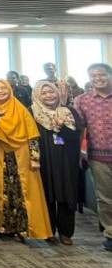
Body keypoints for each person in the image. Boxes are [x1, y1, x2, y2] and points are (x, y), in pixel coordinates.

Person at [0, 79, 52, 242]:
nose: (0, 91)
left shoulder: (20, 108)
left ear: (10, 90)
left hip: (21, 155)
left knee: (21, 192)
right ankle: (3, 227)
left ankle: (22, 229)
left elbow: (32, 135)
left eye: (3, 88)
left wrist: (35, 158)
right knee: (1, 191)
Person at [31, 81, 80, 245]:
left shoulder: (69, 111)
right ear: (38, 95)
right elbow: (29, 137)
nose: (48, 96)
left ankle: (66, 232)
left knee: (67, 194)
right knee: (46, 195)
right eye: (44, 93)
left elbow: (75, 135)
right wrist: (33, 158)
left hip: (66, 160)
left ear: (57, 93)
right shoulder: (33, 112)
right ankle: (48, 230)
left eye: (51, 92)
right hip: (44, 160)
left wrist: (62, 126)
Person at [74, 63, 112, 252]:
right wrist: (79, 154)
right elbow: (78, 128)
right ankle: (111, 234)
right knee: (105, 198)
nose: (98, 78)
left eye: (102, 75)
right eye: (93, 76)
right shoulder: (83, 100)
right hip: (98, 157)